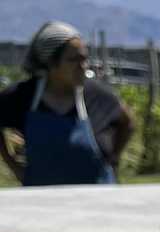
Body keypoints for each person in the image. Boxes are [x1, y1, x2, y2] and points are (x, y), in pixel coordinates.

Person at [0, 21, 134, 186]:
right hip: (41, 204)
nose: (83, 66)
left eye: (84, 58)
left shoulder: (97, 96)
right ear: (50, 64)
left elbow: (127, 122)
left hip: (98, 201)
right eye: (74, 60)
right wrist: (13, 166)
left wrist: (113, 159)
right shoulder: (23, 96)